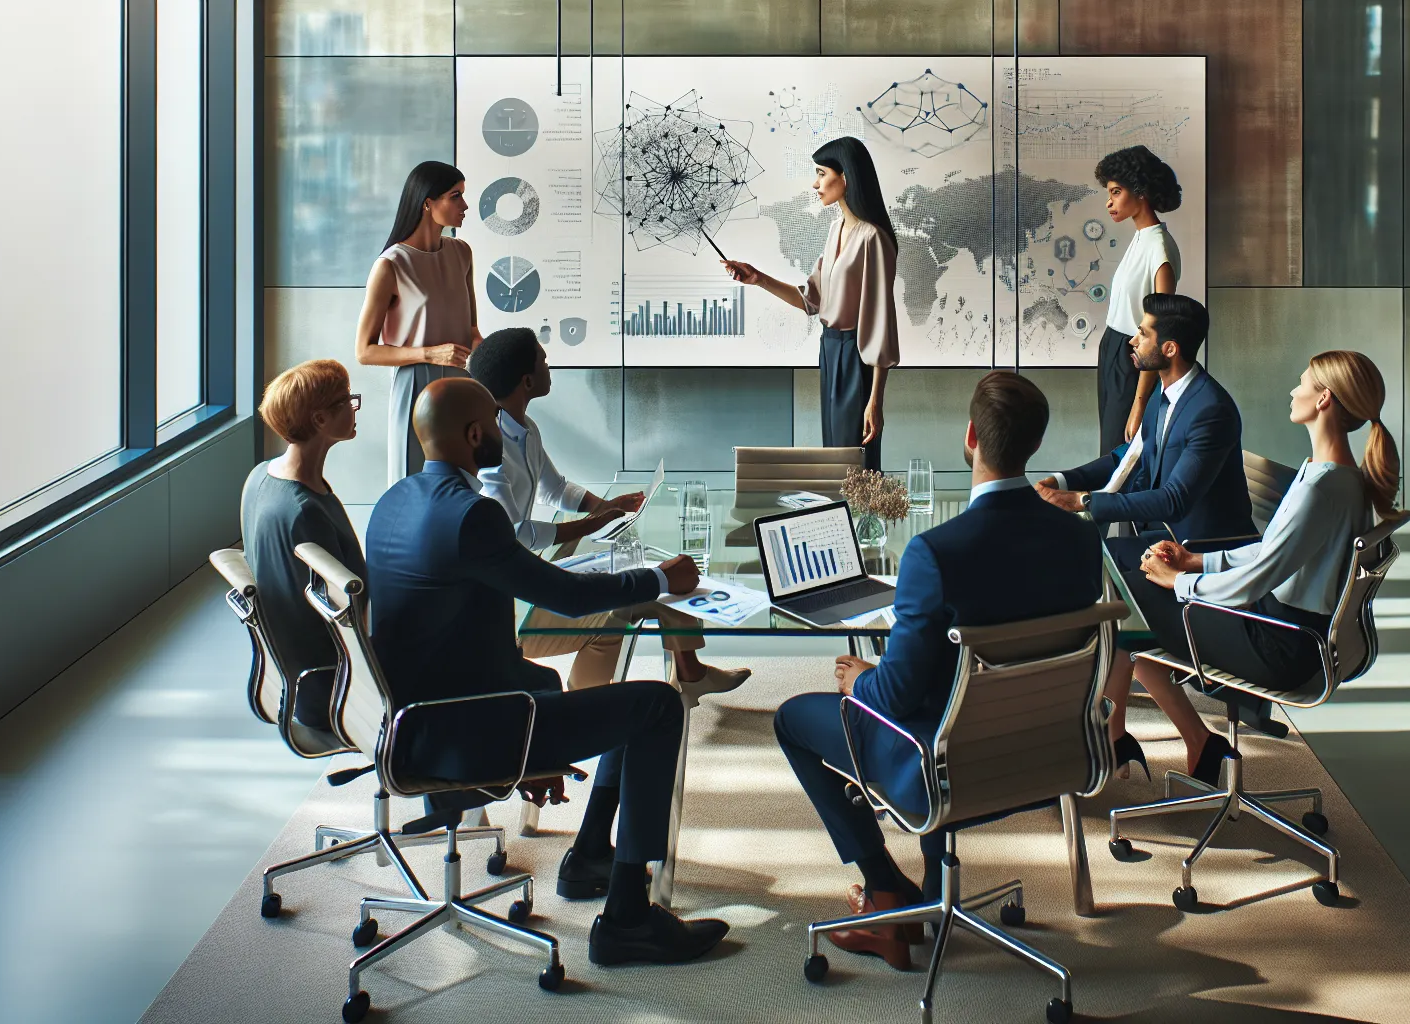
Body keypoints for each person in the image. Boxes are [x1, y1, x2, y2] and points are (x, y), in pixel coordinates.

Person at [362, 377, 728, 965]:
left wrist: (543, 690)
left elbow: (458, 639)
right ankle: (628, 920)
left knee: (623, 706)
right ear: (476, 434)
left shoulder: (393, 501)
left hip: (417, 718)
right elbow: (566, 595)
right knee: (658, 706)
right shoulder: (471, 516)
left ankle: (589, 856)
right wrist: (664, 581)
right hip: (472, 727)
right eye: (493, 430)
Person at [773, 372, 1102, 971]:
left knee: (793, 719)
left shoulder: (936, 552)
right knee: (943, 695)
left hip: (946, 765)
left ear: (971, 436)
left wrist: (858, 681)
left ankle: (883, 889)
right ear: (1034, 445)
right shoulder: (1081, 541)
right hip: (1041, 757)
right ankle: (923, 891)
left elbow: (895, 695)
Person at [1125, 351, 1402, 785]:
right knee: (1131, 567)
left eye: (1303, 382)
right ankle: (1183, 739)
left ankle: (1122, 740)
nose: (1294, 391)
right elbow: (1269, 552)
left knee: (1124, 602)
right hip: (1291, 633)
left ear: (1324, 399)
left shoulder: (1322, 488)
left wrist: (1181, 582)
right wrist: (1195, 559)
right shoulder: (1334, 476)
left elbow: (1258, 578)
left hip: (1280, 646)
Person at [465, 327, 751, 699]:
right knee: (615, 607)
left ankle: (692, 674)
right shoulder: (492, 448)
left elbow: (556, 489)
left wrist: (606, 507)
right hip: (510, 608)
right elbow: (513, 532)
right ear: (527, 380)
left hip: (527, 573)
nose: (550, 364)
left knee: (656, 576)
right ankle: (587, 702)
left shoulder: (526, 429)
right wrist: (589, 524)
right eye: (543, 359)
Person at [1035, 293, 1253, 774]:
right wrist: (1066, 481)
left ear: (1170, 348)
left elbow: (1176, 498)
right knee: (1111, 592)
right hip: (1173, 544)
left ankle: (1108, 736)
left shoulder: (1209, 409)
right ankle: (1158, 738)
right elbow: (1126, 459)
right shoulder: (1164, 394)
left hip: (1204, 555)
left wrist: (1086, 503)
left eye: (1144, 333)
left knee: (1111, 597)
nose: (1132, 340)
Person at [720, 137, 899, 469]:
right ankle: (842, 520)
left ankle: (863, 520)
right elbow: (809, 300)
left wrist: (875, 400)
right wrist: (757, 277)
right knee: (833, 459)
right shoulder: (835, 230)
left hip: (855, 358)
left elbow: (881, 325)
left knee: (854, 463)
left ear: (846, 177)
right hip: (829, 352)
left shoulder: (873, 238)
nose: (816, 183)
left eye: (821, 173)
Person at [240, 360, 366, 729]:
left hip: (291, 681)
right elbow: (357, 614)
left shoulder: (258, 478)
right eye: (347, 401)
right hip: (340, 688)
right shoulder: (305, 511)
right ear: (320, 420)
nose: (355, 406)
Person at [354, 160, 484, 487]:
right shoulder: (390, 266)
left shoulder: (462, 254)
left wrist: (490, 362)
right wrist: (429, 354)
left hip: (464, 382)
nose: (465, 205)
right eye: (456, 196)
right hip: (416, 385)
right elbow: (364, 351)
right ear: (428, 202)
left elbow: (471, 332)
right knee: (411, 481)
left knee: (466, 484)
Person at [1093, 146, 1183, 455]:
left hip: (1134, 359)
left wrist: (1138, 406)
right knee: (1109, 450)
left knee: (1120, 456)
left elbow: (1158, 334)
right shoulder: (1141, 239)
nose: (1109, 202)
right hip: (1113, 352)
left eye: (1116, 192)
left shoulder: (1160, 249)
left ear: (1140, 192)